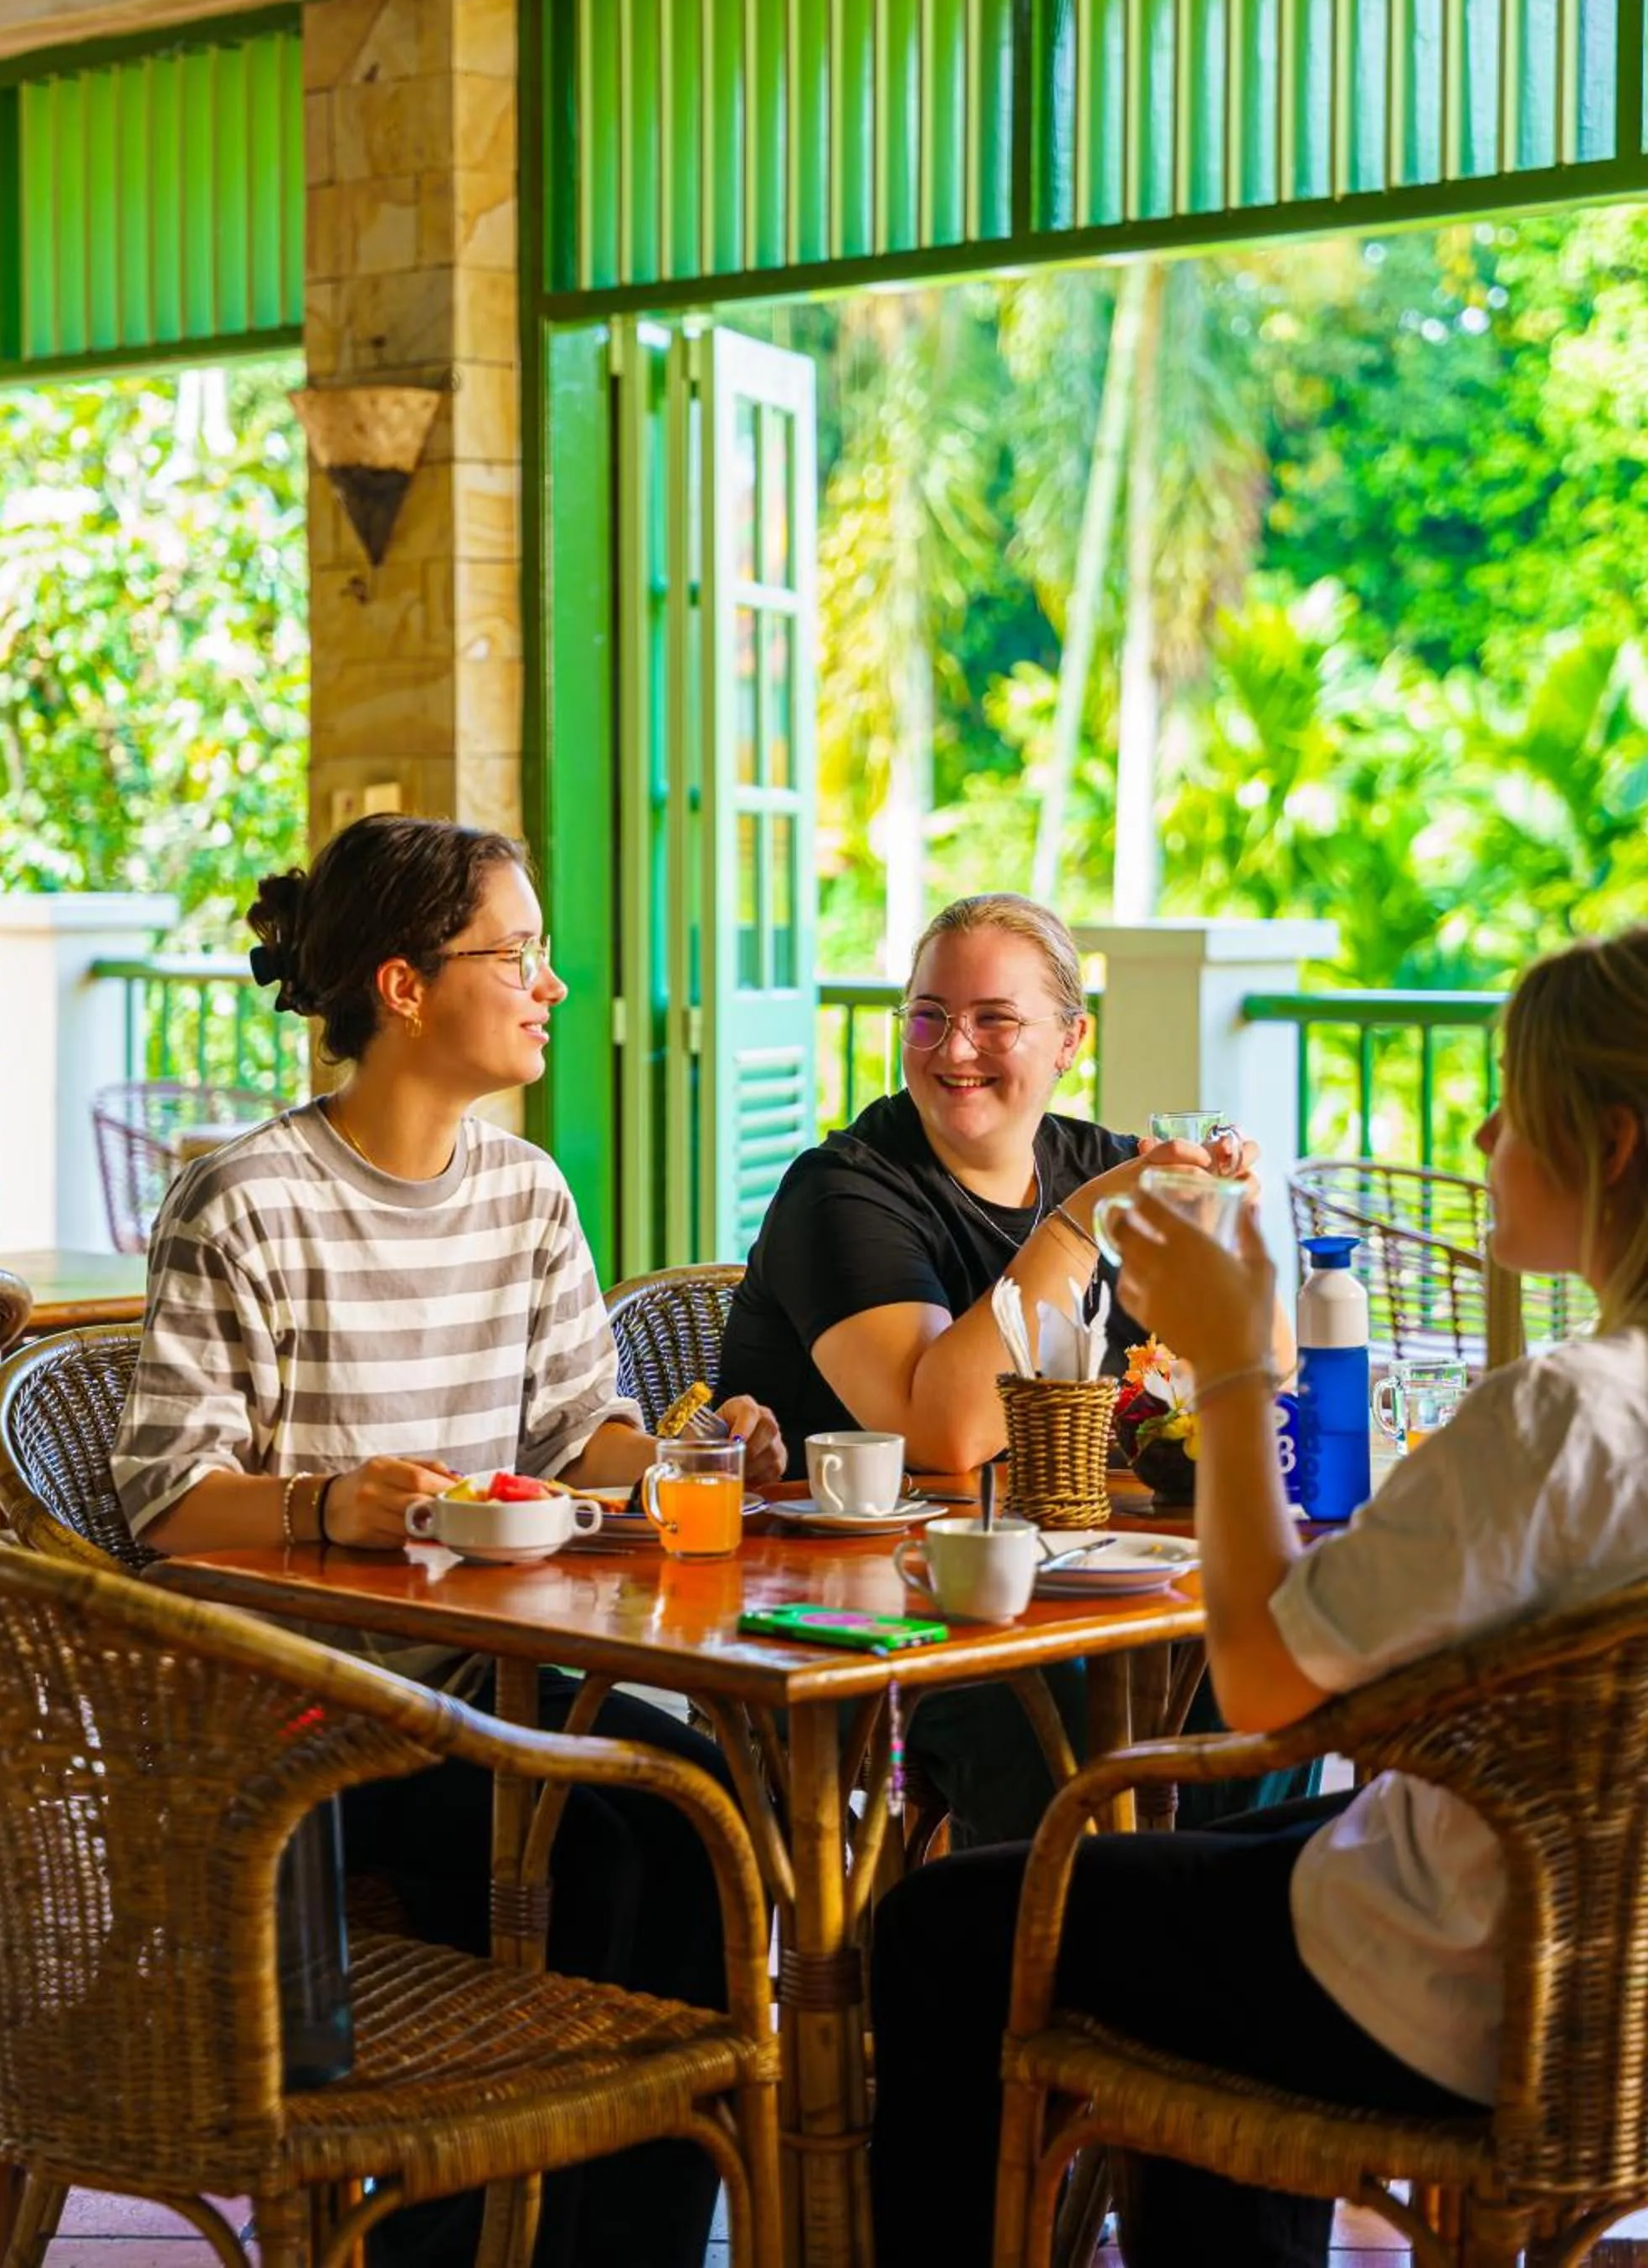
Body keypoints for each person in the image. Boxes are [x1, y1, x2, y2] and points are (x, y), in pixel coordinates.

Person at [869, 923, 1648, 2268]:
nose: (1477, 1134)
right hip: (1607, 1979)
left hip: (1457, 1983)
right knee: (1193, 1863)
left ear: (1614, 1144)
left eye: (1513, 1105)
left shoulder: (1564, 1416)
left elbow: (1268, 1680)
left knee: (943, 1924)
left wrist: (1232, 1370)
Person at [111, 812, 785, 2268]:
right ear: (406, 987)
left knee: (702, 1817)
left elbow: (574, 1436)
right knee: (598, 1859)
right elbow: (163, 1500)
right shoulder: (246, 1202)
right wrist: (325, 1503)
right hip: (302, 1720)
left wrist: (684, 1455)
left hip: (492, 1688)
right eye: (520, 954)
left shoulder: (525, 1194)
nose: (551, 984)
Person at [717, 889, 1290, 1845]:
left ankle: (1194, 1950)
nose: (952, 1050)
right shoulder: (843, 1190)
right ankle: (1016, 1975)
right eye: (929, 1017)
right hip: (866, 1617)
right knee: (1054, 1712)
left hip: (1064, 1583)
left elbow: (1261, 1377)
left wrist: (1227, 1235)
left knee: (1265, 1659)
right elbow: (941, 1436)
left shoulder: (1098, 1164)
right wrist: (1080, 1227)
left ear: (1070, 1041)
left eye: (993, 1021)